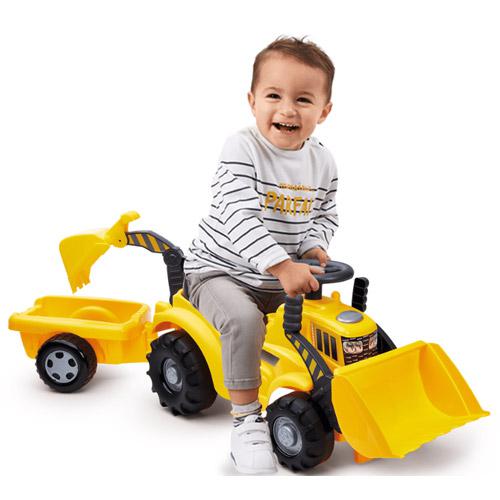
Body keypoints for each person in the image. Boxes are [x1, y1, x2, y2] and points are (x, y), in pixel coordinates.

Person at [183, 36, 338, 474]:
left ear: (324, 111)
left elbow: (324, 212)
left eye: (303, 99)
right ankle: (246, 419)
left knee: (324, 319)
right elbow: (238, 216)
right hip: (219, 271)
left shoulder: (323, 161)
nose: (288, 109)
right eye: (274, 96)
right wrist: (283, 265)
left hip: (278, 276)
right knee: (244, 320)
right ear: (252, 101)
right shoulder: (242, 149)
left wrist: (313, 245)